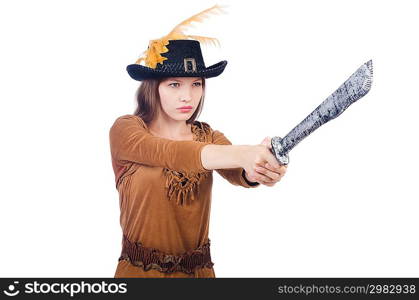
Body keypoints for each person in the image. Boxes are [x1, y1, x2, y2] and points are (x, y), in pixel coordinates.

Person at [108, 5, 288, 278]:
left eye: (197, 84)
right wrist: (244, 154)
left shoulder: (209, 136)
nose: (188, 96)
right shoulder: (127, 130)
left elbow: (238, 170)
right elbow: (171, 152)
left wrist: (260, 168)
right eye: (175, 84)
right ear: (153, 87)